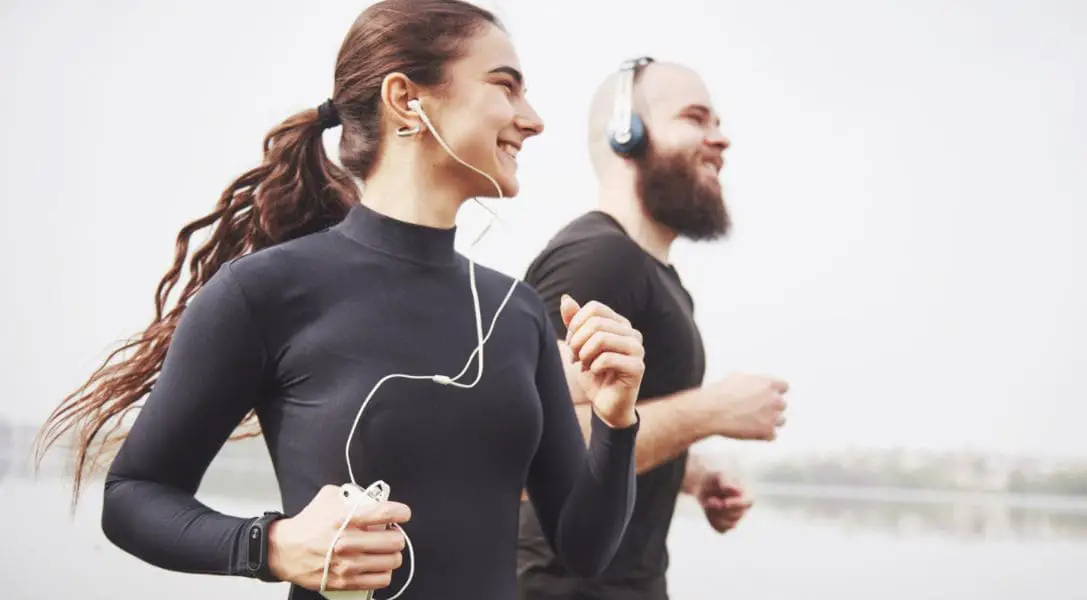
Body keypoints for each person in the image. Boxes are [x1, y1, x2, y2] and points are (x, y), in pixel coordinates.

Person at [32, 2, 647, 599]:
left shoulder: (514, 313)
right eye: (505, 86)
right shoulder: (263, 293)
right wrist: (271, 545)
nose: (534, 118)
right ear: (407, 99)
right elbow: (133, 495)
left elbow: (582, 548)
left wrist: (617, 418)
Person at [515, 57, 790, 600]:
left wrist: (694, 476)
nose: (721, 139)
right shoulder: (596, 259)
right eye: (696, 118)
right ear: (627, 133)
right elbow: (530, 451)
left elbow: (618, 430)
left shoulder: (658, 278)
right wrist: (712, 410)